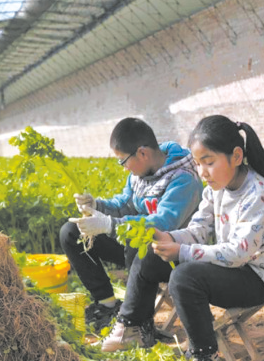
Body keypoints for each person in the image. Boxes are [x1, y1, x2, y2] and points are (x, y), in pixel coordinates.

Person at [101, 115, 264, 361]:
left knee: (185, 276)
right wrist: (169, 237)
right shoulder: (216, 189)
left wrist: (182, 251)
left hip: (258, 278)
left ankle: (206, 359)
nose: (202, 172)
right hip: (231, 267)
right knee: (151, 253)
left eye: (208, 162)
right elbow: (199, 230)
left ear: (236, 156)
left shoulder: (258, 194)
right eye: (198, 163)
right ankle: (132, 326)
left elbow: (238, 253)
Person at [61, 117, 203, 331]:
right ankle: (108, 305)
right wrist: (97, 205)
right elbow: (123, 204)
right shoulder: (139, 174)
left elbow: (163, 222)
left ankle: (138, 323)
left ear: (142, 153)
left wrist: (110, 225)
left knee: (141, 243)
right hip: (136, 248)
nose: (124, 168)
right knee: (71, 232)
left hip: (170, 255)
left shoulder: (183, 179)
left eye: (123, 161)